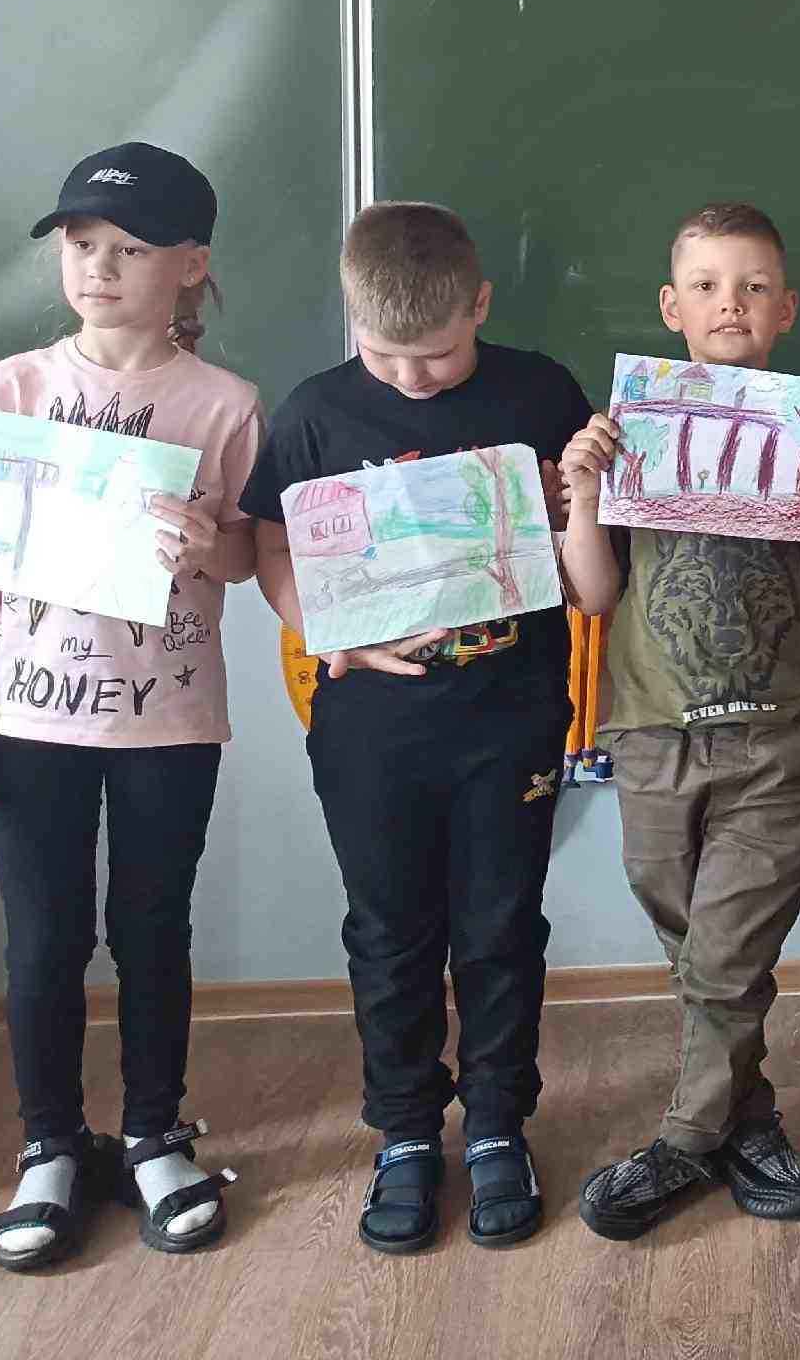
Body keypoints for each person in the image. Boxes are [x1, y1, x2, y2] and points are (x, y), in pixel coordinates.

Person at [0, 143, 257, 1270]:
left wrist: (208, 545)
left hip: (168, 719)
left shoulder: (223, 404)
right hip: (28, 718)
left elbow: (248, 555)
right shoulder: (9, 391)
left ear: (191, 265)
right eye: (81, 246)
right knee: (43, 938)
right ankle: (49, 1147)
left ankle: (156, 1134)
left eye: (129, 249)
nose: (99, 269)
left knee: (154, 928)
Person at [246, 201, 593, 1251]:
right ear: (350, 318)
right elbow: (271, 549)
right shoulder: (316, 412)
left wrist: (566, 503)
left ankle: (495, 1123)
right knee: (389, 931)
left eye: (436, 355)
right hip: (370, 730)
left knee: (501, 925)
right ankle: (403, 1131)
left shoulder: (540, 392)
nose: (411, 378)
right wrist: (328, 634)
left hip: (511, 715)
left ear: (480, 305)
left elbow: (587, 542)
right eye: (384, 355)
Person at [562, 204, 800, 1236]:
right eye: (706, 286)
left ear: (786, 309)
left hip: (780, 731)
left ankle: (684, 1143)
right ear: (672, 306)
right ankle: (752, 1122)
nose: (729, 303)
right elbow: (595, 594)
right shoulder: (631, 432)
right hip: (653, 733)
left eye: (752, 287)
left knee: (725, 955)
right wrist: (581, 492)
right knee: (705, 956)